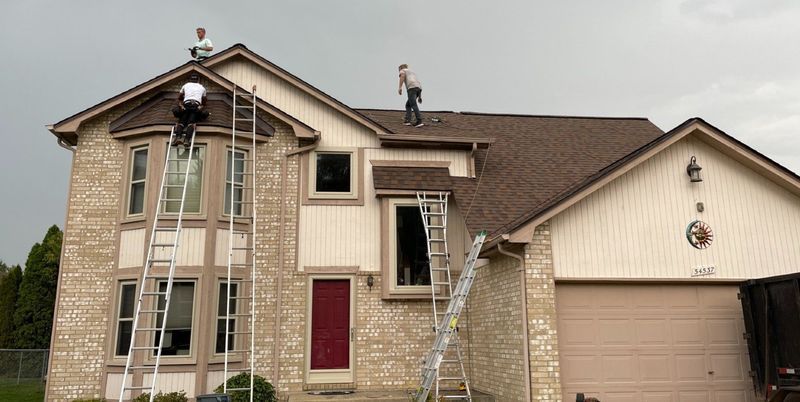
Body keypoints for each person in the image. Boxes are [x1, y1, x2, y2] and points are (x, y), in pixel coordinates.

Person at [171, 74, 208, 146]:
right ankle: (187, 140)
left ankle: (178, 138)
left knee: (182, 122)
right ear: (198, 80)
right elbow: (204, 100)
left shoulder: (186, 85)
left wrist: (181, 103)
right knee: (191, 123)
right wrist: (202, 106)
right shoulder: (202, 87)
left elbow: (180, 96)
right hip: (195, 106)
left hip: (186, 104)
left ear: (190, 79)